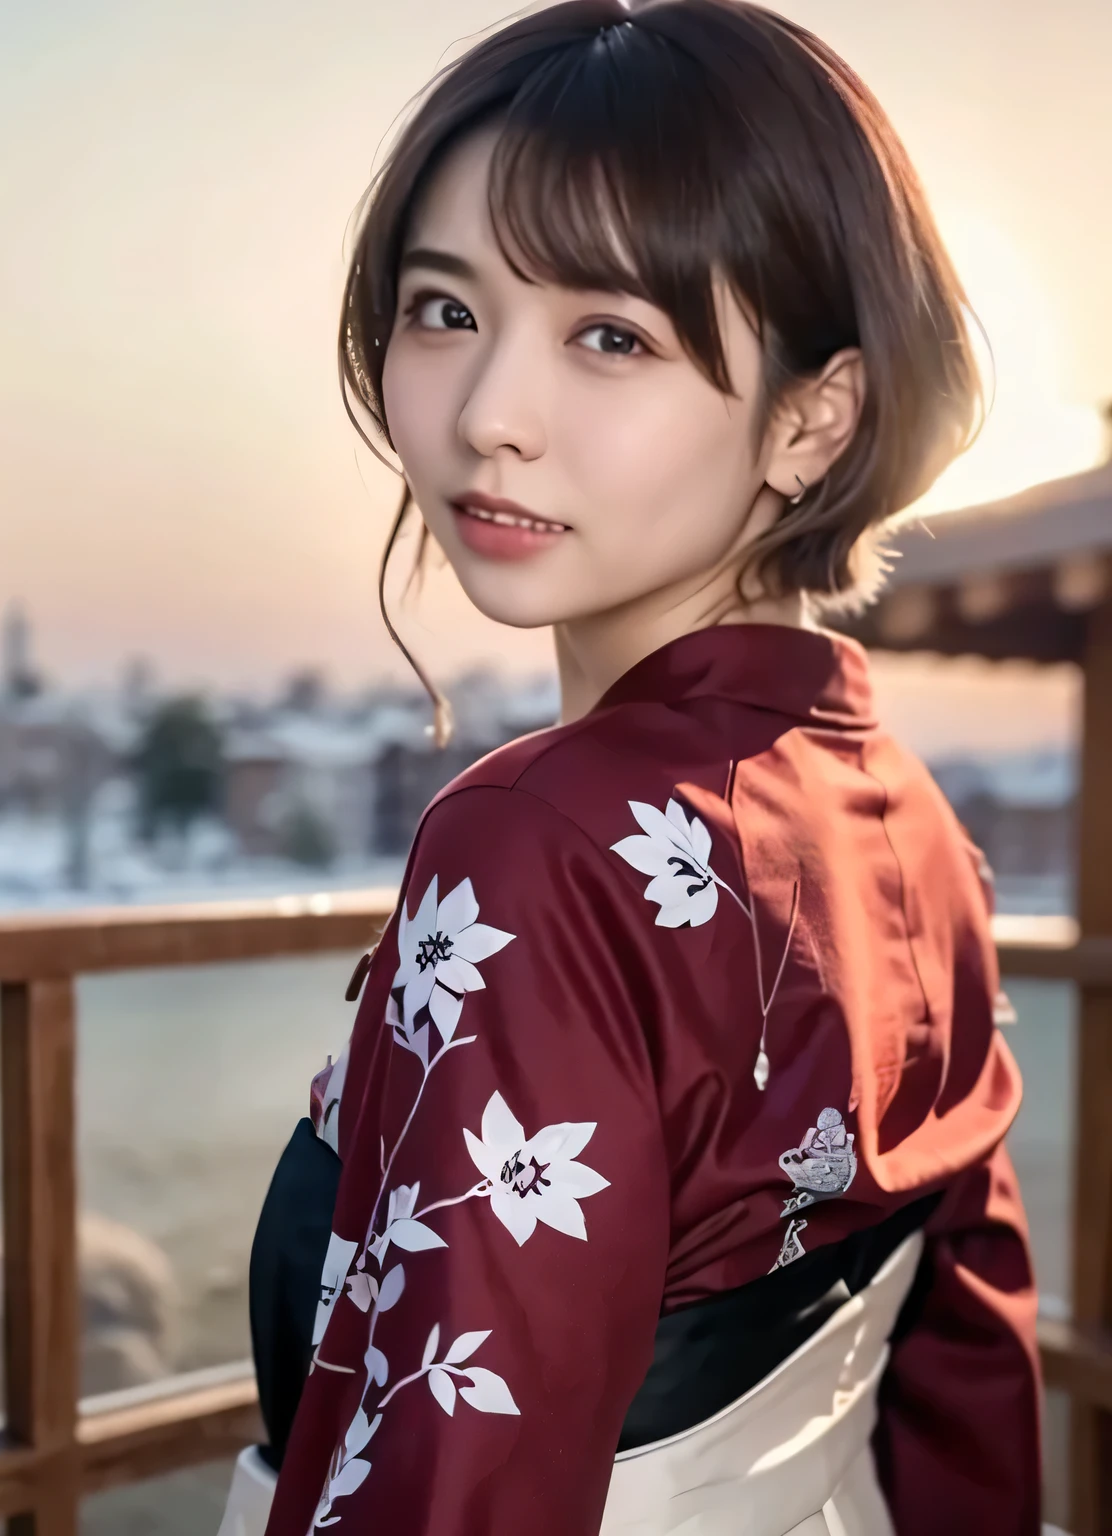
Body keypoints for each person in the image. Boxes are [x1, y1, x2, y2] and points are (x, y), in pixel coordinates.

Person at [219, 3, 1042, 1532]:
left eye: (613, 336)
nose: (488, 418)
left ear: (815, 417)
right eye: (445, 310)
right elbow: (967, 1380)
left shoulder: (536, 843)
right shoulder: (908, 816)